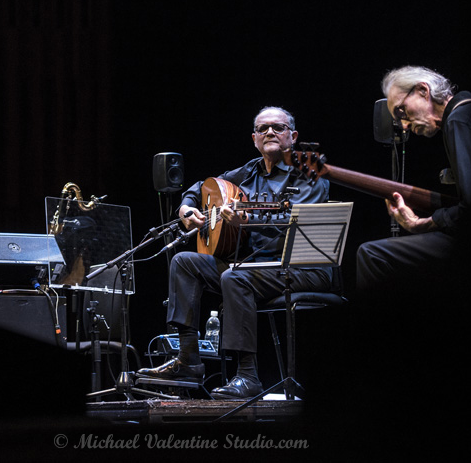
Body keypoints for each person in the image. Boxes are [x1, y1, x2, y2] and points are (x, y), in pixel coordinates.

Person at [137, 106, 332, 399]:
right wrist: (186, 209)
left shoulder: (309, 172)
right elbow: (198, 188)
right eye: (263, 128)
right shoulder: (248, 171)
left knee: (234, 276)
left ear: (293, 135)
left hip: (304, 267)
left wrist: (248, 220)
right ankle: (188, 359)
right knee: (184, 262)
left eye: (277, 127)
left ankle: (248, 377)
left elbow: (299, 219)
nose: (269, 132)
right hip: (256, 268)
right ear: (254, 138)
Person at [356, 65, 471, 291]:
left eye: (401, 111)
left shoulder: (458, 120)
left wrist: (420, 224)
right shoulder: (468, 112)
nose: (404, 125)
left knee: (372, 254)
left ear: (422, 91)